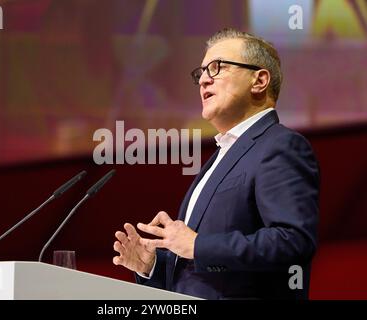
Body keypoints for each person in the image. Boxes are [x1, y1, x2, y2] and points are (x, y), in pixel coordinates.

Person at [112, 28, 320, 300]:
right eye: (200, 73)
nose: (203, 81)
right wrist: (151, 267)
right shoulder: (221, 156)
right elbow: (198, 275)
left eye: (216, 68)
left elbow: (293, 242)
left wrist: (197, 245)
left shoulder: (279, 145)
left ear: (259, 81)